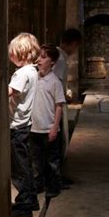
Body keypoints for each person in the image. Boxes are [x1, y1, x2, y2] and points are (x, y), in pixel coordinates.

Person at [8, 33, 41, 217]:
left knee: (19, 168)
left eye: (13, 53)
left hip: (16, 126)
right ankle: (32, 199)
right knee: (25, 164)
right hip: (25, 124)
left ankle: (24, 205)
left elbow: (10, 91)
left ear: (23, 54)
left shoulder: (22, 73)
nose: (10, 56)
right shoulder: (33, 71)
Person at [31, 44, 66, 199]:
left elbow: (59, 106)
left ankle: (54, 186)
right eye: (39, 56)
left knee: (52, 161)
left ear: (52, 62)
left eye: (43, 57)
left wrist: (54, 128)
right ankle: (38, 184)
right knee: (36, 160)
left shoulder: (55, 81)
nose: (39, 60)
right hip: (34, 128)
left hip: (49, 128)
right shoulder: (34, 78)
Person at [52, 28, 81, 162]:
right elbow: (55, 83)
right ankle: (56, 175)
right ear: (73, 43)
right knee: (58, 139)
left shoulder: (57, 55)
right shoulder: (60, 60)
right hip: (55, 104)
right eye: (77, 46)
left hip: (56, 101)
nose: (76, 50)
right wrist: (65, 95)